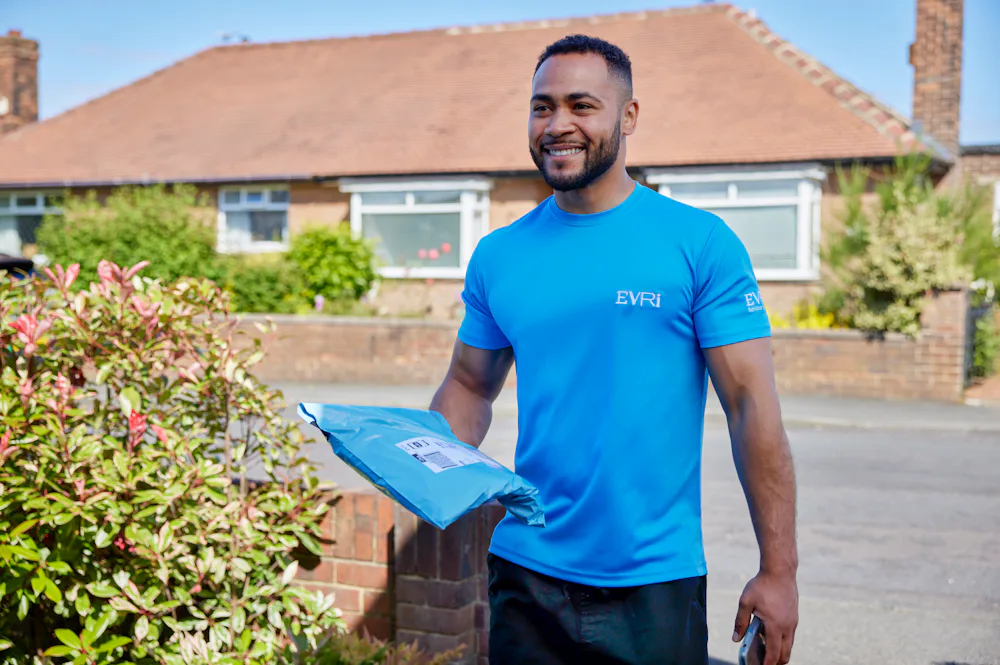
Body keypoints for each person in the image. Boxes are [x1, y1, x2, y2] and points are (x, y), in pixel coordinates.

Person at [429, 34, 798, 665]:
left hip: (652, 580)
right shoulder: (500, 254)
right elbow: (468, 386)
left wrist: (779, 570)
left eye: (581, 105)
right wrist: (418, 460)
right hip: (526, 573)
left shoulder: (699, 243)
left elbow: (749, 407)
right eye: (542, 107)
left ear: (628, 117)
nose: (558, 125)